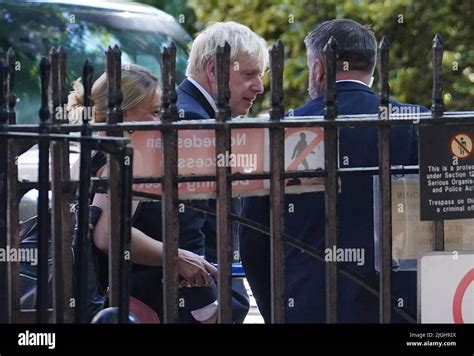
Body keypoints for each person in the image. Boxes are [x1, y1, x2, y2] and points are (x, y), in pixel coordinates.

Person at [239, 19, 427, 323]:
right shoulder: (417, 123)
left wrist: (277, 311)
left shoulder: (282, 130)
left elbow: (253, 239)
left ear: (319, 70)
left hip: (307, 304)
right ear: (372, 69)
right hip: (399, 307)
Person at [68, 64, 219, 323]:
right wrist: (176, 255)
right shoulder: (128, 156)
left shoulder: (90, 151)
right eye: (155, 112)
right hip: (136, 298)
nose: (162, 121)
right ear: (125, 112)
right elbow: (109, 235)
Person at [176, 21, 268, 323]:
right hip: (196, 302)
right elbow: (185, 220)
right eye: (249, 75)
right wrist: (206, 307)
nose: (259, 86)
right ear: (214, 69)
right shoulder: (192, 118)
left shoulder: (195, 112)